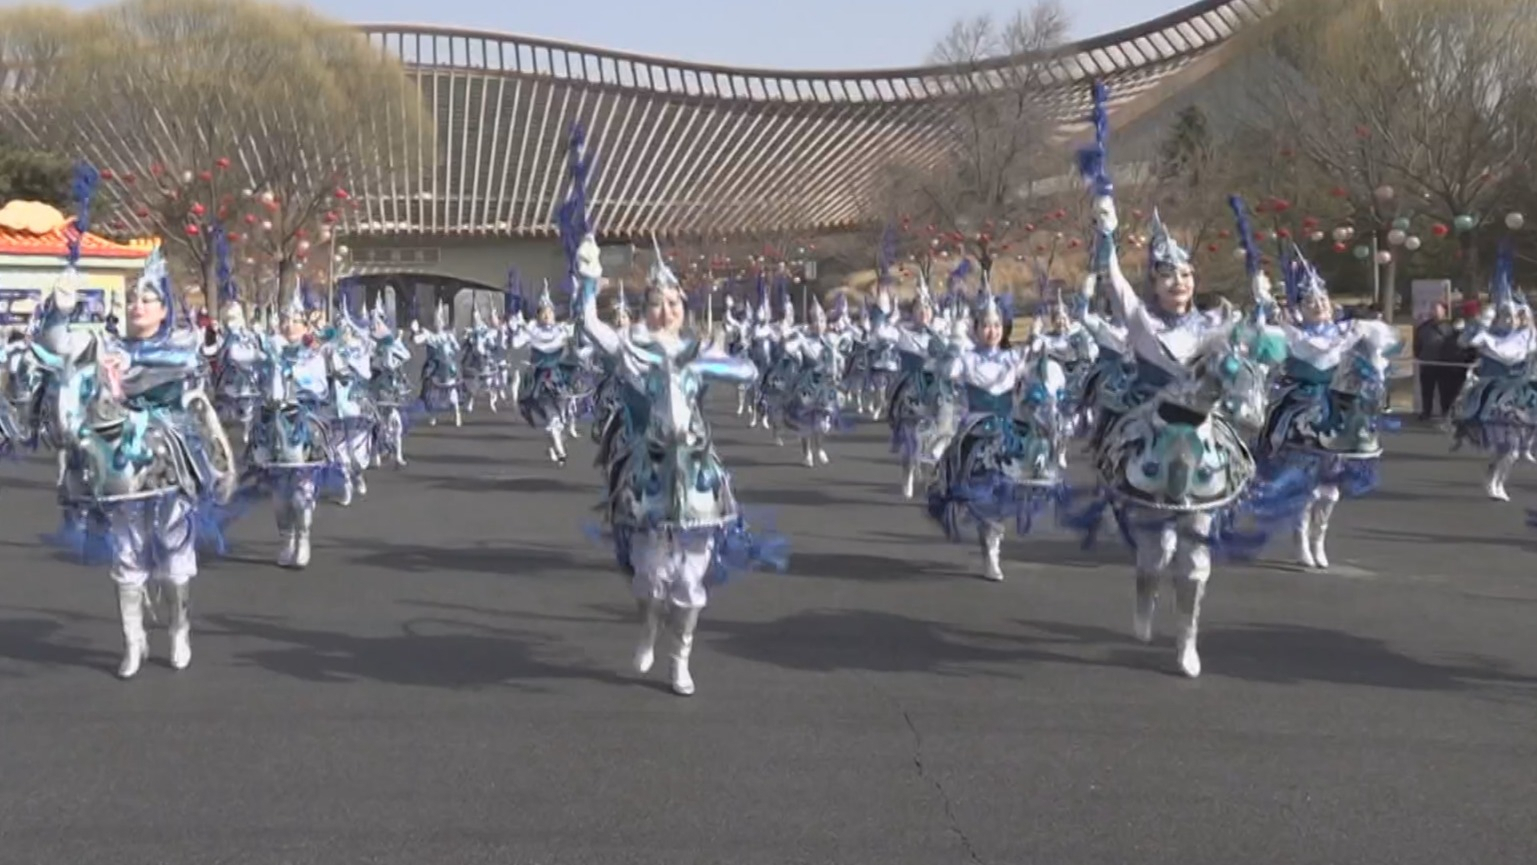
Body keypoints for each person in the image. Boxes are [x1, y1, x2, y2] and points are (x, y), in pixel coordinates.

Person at [1414, 301, 1457, 419]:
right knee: (1427, 390)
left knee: (1445, 391)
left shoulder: (1450, 327)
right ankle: (1426, 412)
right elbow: (1417, 344)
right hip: (1428, 362)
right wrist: (1420, 355)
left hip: (1445, 364)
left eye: (1438, 310)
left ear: (1444, 312)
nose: (1435, 312)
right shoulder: (1423, 327)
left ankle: (1445, 412)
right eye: (1433, 309)